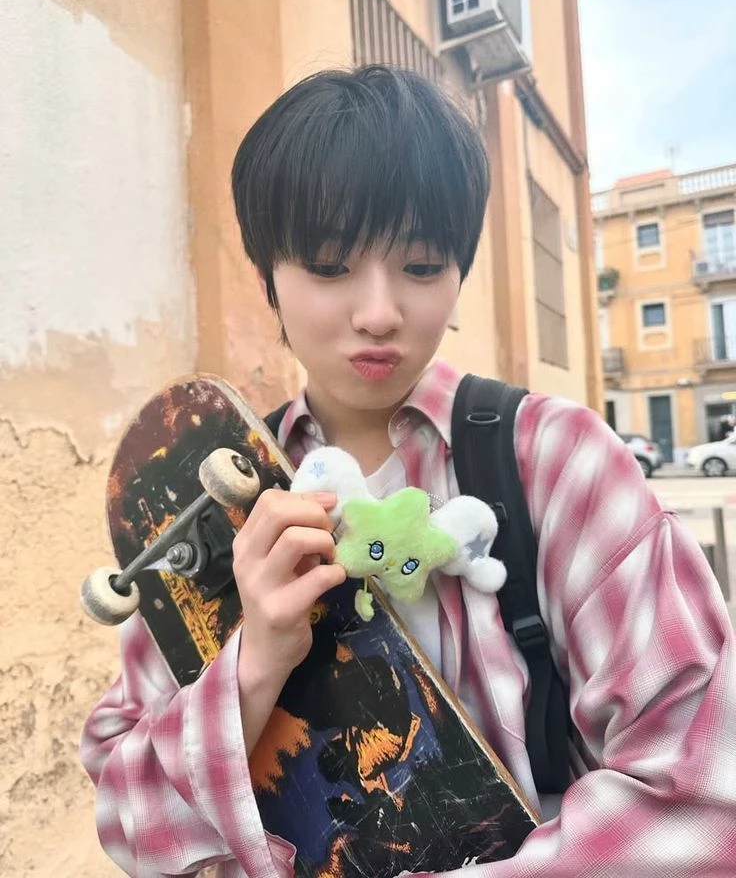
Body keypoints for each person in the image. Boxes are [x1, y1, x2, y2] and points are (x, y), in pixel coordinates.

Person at [80, 65, 736, 877]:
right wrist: (251, 670)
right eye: (329, 266)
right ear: (265, 279)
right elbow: (128, 822)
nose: (379, 312)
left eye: (421, 266)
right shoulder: (207, 501)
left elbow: (704, 794)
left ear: (460, 270)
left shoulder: (555, 460)